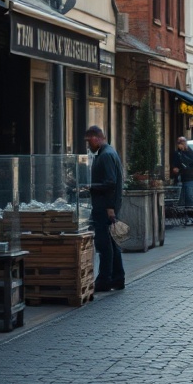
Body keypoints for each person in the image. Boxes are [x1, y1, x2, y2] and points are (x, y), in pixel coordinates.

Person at [85, 125, 126, 292]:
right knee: (111, 243)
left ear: (96, 139)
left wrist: (90, 187)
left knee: (104, 244)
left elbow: (110, 183)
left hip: (104, 207)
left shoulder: (106, 155)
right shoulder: (108, 152)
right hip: (107, 206)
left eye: (88, 141)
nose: (88, 145)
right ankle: (117, 278)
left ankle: (105, 280)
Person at [170, 136, 193, 224]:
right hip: (180, 178)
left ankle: (191, 217)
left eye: (183, 142)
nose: (181, 144)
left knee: (189, 197)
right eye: (179, 142)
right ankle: (185, 218)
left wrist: (186, 151)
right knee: (182, 199)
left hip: (189, 177)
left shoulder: (190, 152)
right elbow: (174, 166)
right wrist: (175, 169)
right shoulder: (177, 154)